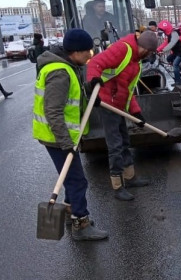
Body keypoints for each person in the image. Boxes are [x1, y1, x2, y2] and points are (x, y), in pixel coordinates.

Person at [32, 29, 109, 241]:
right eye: (87, 52)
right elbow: (53, 111)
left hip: (59, 135)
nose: (90, 55)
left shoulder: (68, 67)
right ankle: (80, 223)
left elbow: (71, 96)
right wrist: (66, 143)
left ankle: (69, 209)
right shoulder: (60, 73)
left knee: (70, 177)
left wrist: (90, 86)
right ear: (75, 52)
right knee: (77, 180)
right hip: (57, 137)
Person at [86, 30, 158, 201]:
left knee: (125, 140)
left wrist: (136, 112)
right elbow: (94, 63)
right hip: (106, 103)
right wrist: (94, 82)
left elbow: (128, 90)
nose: (147, 55)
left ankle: (130, 177)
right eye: (147, 52)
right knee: (115, 145)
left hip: (118, 104)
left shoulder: (136, 61)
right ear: (143, 47)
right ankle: (117, 186)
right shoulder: (123, 49)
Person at [156, 20, 181, 86]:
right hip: (176, 52)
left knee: (175, 64)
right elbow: (165, 43)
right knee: (168, 59)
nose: (163, 32)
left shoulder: (174, 33)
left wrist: (163, 51)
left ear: (166, 29)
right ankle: (179, 70)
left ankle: (178, 81)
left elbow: (172, 43)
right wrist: (157, 50)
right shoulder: (169, 35)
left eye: (163, 30)